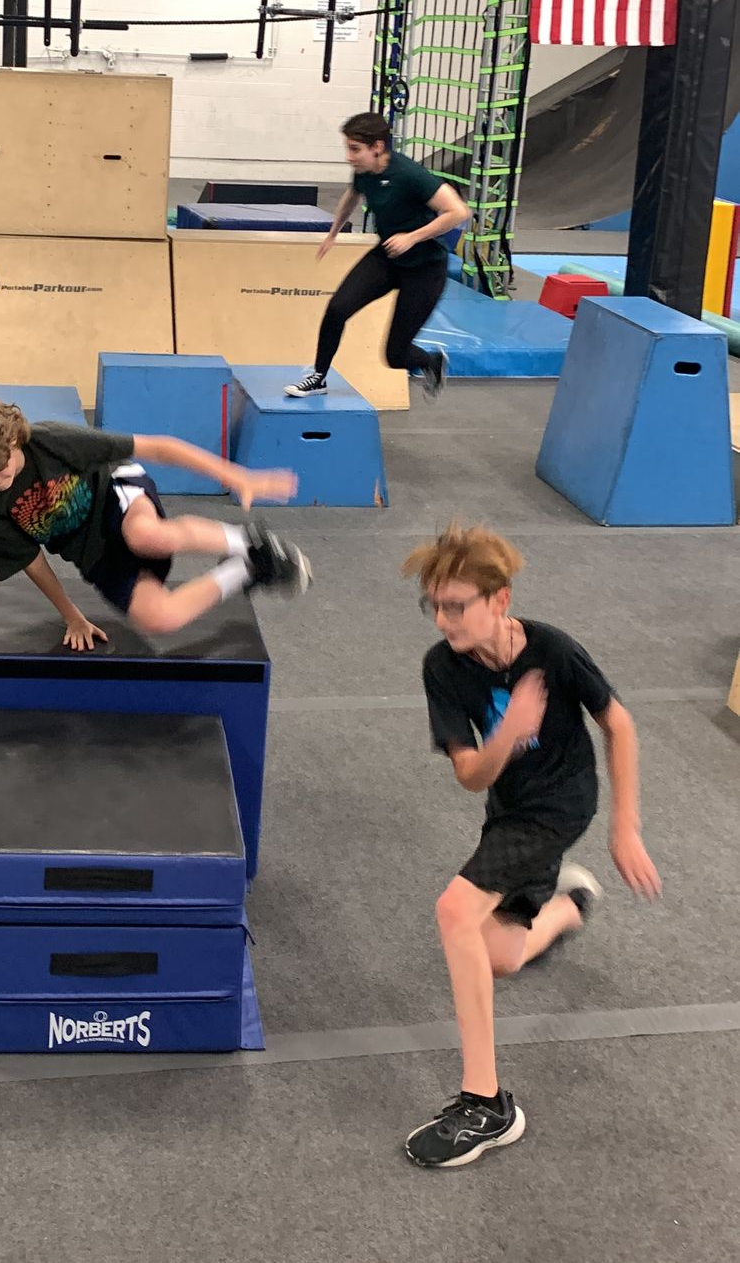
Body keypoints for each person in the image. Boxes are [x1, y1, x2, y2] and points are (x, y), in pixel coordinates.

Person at [400, 522, 661, 1169]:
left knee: (455, 911)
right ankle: (569, 905)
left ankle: (487, 1104)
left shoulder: (551, 650)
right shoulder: (442, 668)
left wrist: (625, 825)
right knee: (497, 955)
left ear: (500, 599)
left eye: (456, 604)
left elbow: (618, 723)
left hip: (560, 806)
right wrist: (507, 733)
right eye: (434, 604)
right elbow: (470, 775)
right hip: (506, 806)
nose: (442, 618)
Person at [0, 395, 313, 646]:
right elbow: (33, 563)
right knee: (159, 618)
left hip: (115, 490)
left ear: (12, 441)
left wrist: (234, 475)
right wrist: (72, 616)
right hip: (93, 551)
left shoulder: (47, 441)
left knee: (147, 536)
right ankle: (247, 570)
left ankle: (248, 542)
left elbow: (157, 446)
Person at [285, 112, 470, 402]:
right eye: (348, 148)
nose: (349, 156)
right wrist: (333, 232)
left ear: (378, 147)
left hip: (424, 269)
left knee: (395, 355)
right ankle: (318, 377)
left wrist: (412, 237)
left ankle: (431, 361)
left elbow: (459, 212)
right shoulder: (364, 170)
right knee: (337, 309)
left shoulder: (410, 175)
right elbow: (352, 195)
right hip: (387, 257)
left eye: (355, 149)